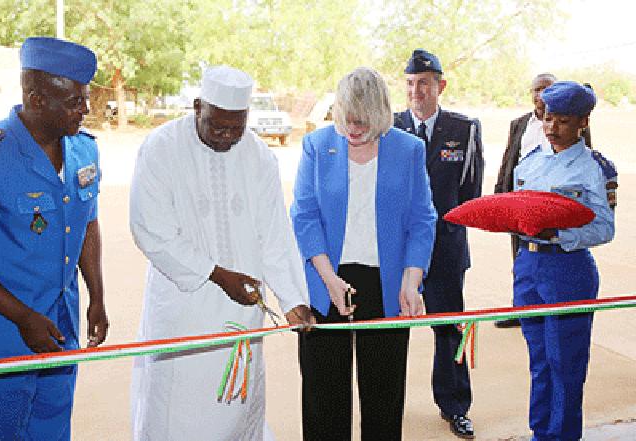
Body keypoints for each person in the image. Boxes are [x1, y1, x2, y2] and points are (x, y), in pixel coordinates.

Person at [0, 37, 109, 440]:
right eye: (74, 101)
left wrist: (96, 296)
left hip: (56, 325)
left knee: (51, 429)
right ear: (36, 98)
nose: (85, 109)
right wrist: (22, 316)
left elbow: (87, 225)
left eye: (85, 98)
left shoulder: (83, 152)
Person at [129, 65, 315, 441]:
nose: (227, 136)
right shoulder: (161, 148)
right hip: (184, 309)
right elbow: (151, 230)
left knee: (237, 413)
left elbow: (274, 235)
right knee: (176, 416)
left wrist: (293, 298)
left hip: (241, 311)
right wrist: (217, 274)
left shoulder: (259, 157)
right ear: (198, 107)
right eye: (217, 126)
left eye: (236, 127)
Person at [292, 67, 437, 441]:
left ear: (380, 113)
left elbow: (422, 220)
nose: (352, 130)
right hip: (326, 281)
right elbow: (304, 216)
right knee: (323, 397)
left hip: (387, 286)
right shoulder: (317, 146)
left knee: (384, 397)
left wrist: (411, 281)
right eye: (345, 120)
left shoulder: (409, 150)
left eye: (361, 121)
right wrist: (327, 277)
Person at [512, 81, 614, 441]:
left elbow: (605, 228)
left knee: (565, 364)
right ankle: (541, 433)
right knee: (539, 362)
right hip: (528, 266)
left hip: (567, 269)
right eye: (548, 118)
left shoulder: (594, 169)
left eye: (564, 121)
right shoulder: (530, 161)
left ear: (583, 122)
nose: (553, 128)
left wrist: (561, 235)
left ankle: (563, 436)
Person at [393, 49, 484, 438]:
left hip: (445, 250)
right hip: (397, 251)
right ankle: (386, 406)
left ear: (440, 86)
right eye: (411, 83)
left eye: (425, 83)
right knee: (390, 332)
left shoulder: (464, 129)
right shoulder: (390, 126)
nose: (417, 91)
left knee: (449, 328)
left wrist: (442, 229)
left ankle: (455, 405)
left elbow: (470, 192)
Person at [493, 73, 591, 328]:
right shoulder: (519, 124)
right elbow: (509, 160)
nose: (540, 95)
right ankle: (522, 308)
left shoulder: (573, 127)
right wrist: (501, 195)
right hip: (522, 199)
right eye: (537, 90)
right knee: (524, 254)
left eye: (546, 89)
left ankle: (551, 309)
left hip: (556, 204)